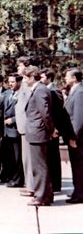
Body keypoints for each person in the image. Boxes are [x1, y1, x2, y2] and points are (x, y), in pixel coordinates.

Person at [40, 68, 76, 192]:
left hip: (53, 130)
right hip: (48, 129)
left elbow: (57, 112)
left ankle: (56, 184)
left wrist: (55, 128)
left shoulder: (54, 91)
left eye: (43, 77)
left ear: (49, 78)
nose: (41, 79)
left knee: (53, 157)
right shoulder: (47, 90)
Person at [23, 66, 54, 206]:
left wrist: (50, 129)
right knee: (41, 166)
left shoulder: (40, 90)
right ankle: (46, 196)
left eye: (24, 77)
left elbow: (45, 113)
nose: (23, 81)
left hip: (38, 133)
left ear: (31, 77)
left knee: (39, 167)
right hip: (37, 133)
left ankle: (40, 196)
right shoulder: (38, 89)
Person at [15, 57, 35, 197]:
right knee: (26, 159)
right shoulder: (23, 82)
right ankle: (30, 186)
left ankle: (32, 187)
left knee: (29, 159)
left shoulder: (28, 83)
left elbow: (29, 105)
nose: (18, 69)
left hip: (28, 127)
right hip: (23, 127)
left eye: (19, 67)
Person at [1, 73, 24, 187]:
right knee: (8, 157)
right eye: (9, 82)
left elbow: (25, 111)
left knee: (17, 157)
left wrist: (14, 119)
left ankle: (18, 180)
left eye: (13, 82)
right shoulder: (6, 93)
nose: (10, 84)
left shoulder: (23, 94)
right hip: (6, 131)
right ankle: (10, 177)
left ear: (19, 82)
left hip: (16, 129)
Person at [64, 68, 83, 204]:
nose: (65, 78)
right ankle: (78, 191)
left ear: (74, 78)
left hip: (78, 138)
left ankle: (80, 194)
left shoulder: (80, 93)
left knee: (79, 167)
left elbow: (79, 118)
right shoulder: (74, 91)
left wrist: (74, 137)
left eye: (67, 76)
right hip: (73, 136)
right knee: (76, 166)